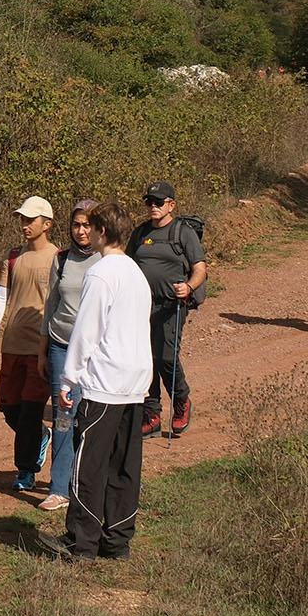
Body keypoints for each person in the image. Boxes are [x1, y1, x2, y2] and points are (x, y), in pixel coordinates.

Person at [37, 200, 151, 562]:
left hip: (104, 383)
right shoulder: (136, 272)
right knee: (124, 465)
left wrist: (69, 379)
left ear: (102, 231)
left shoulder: (101, 273)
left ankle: (80, 543)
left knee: (89, 465)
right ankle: (117, 543)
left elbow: (86, 331)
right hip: (135, 383)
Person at [0, 196, 61, 492]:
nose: (25, 225)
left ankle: (25, 470)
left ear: (47, 224)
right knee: (9, 406)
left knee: (30, 409)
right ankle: (40, 436)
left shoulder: (59, 258)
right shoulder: (13, 255)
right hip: (12, 342)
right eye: (22, 219)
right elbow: (1, 294)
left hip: (41, 346)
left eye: (30, 220)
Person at [127, 181, 204, 439]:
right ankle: (152, 413)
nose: (153, 207)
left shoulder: (182, 232)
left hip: (171, 304)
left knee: (165, 357)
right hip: (140, 305)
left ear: (171, 205)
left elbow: (200, 267)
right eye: (149, 202)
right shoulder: (139, 234)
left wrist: (189, 287)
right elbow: (126, 265)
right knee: (144, 358)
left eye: (158, 202)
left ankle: (181, 399)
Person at [39, 200, 98, 512]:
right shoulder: (61, 259)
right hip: (61, 345)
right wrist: (42, 349)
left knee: (94, 416)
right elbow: (50, 305)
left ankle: (91, 482)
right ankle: (59, 487)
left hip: (96, 352)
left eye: (87, 224)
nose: (81, 230)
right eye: (76, 224)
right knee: (64, 415)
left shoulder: (107, 260)